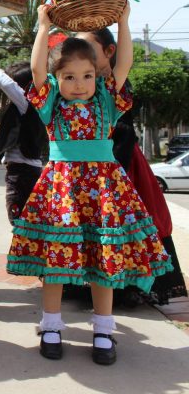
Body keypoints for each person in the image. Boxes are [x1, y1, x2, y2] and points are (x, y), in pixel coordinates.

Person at [7, 3, 173, 365]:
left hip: (105, 192)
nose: (79, 84)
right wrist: (43, 26)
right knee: (55, 262)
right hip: (62, 191)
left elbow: (123, 65)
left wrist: (124, 22)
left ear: (97, 76)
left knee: (104, 262)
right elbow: (36, 70)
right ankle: (51, 326)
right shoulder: (51, 104)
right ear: (57, 79)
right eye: (69, 77)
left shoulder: (106, 101)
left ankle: (103, 330)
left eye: (86, 75)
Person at [78, 27, 187, 305]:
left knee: (124, 224)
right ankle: (89, 286)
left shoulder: (115, 85)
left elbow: (121, 131)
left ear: (109, 51)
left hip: (120, 163)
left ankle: (125, 288)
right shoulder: (76, 83)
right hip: (85, 166)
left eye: (88, 48)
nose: (81, 54)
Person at [0, 57, 46, 222]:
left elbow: (8, 85)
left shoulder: (27, 104)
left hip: (22, 174)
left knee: (18, 218)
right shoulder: (37, 105)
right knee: (27, 218)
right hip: (27, 171)